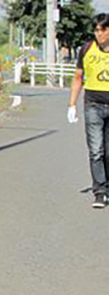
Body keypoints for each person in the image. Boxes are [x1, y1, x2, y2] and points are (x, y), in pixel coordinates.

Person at [68, 13, 109, 208]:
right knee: (96, 150)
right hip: (93, 104)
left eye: (102, 30)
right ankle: (99, 190)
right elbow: (78, 77)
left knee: (108, 152)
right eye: (96, 30)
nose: (98, 34)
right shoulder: (86, 49)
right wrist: (72, 105)